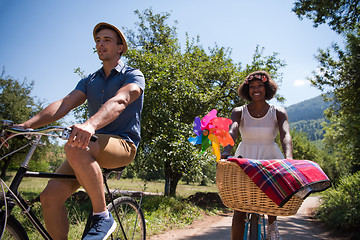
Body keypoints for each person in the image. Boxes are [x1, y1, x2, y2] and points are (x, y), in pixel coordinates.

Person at [16, 22, 145, 240]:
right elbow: (64, 104)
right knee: (49, 197)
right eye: (98, 41)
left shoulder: (132, 75)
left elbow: (121, 100)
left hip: (122, 144)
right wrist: (26, 125)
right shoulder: (90, 80)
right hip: (89, 145)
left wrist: (90, 125)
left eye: (107, 40)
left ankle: (102, 216)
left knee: (76, 144)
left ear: (120, 47)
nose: (100, 44)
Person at [221, 70, 293, 240]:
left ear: (267, 88)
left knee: (271, 203)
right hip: (245, 158)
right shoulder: (239, 111)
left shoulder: (278, 112)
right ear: (247, 90)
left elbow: (286, 135)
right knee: (239, 209)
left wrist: (289, 158)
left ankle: (272, 228)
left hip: (271, 158)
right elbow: (233, 130)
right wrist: (226, 151)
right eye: (252, 87)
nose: (256, 89)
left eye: (260, 85)